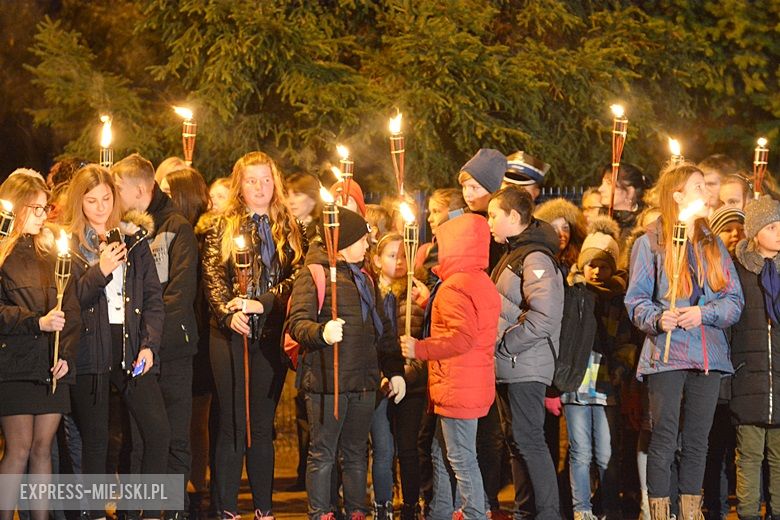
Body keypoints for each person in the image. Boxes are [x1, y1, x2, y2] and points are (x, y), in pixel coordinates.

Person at [625, 163, 744, 520]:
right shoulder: (650, 243)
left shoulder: (713, 244)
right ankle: (661, 512)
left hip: (707, 355)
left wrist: (704, 313)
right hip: (668, 353)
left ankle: (691, 512)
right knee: (663, 438)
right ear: (677, 196)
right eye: (698, 187)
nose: (707, 194)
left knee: (696, 441)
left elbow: (734, 300)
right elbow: (636, 300)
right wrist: (657, 318)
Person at [202, 151, 304, 519]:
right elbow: (212, 276)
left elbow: (297, 275)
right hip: (229, 335)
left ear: (275, 182)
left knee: (261, 425)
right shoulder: (221, 226)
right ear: (239, 185)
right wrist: (228, 312)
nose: (260, 187)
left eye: (265, 180)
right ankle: (227, 509)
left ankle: (264, 509)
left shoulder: (290, 227)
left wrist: (264, 303)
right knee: (233, 423)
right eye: (251, 180)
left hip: (269, 334)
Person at [287, 207, 406, 520]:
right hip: (328, 382)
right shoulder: (313, 274)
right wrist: (322, 332)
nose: (368, 246)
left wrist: (394, 370)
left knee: (356, 454)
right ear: (344, 242)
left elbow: (383, 331)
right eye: (362, 240)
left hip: (363, 383)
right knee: (323, 453)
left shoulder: (364, 279)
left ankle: (356, 511)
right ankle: (321, 512)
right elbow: (297, 323)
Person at [64, 164, 168, 520]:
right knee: (96, 441)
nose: (100, 207)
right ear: (79, 202)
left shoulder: (132, 238)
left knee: (158, 432)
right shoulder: (70, 245)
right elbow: (69, 300)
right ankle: (94, 513)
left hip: (130, 344)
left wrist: (149, 345)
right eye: (91, 200)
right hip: (90, 348)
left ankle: (148, 513)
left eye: (106, 198)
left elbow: (153, 298)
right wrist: (101, 270)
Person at [112, 154, 200, 520]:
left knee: (175, 437)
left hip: (173, 349)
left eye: (118, 189)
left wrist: (151, 336)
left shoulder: (177, 228)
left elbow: (180, 292)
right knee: (140, 437)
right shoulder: (123, 229)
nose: (113, 196)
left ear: (140, 190)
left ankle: (174, 510)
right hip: (138, 351)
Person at [400, 213, 501, 520]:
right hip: (469, 383)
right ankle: (441, 511)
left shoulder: (455, 287)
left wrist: (419, 348)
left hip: (458, 385)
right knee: (440, 451)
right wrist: (427, 302)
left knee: (460, 458)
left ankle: (473, 513)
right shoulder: (478, 281)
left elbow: (462, 338)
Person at [0, 174, 79, 520]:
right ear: (17, 207)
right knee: (18, 448)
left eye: (45, 208)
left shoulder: (51, 251)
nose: (43, 215)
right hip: (14, 364)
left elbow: (70, 307)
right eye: (36, 208)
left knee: (43, 448)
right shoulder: (2, 251)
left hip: (51, 364)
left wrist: (66, 355)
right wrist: (37, 322)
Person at [487, 186, 564, 520]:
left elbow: (545, 315)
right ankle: (525, 511)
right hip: (511, 364)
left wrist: (507, 345)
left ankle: (547, 513)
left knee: (529, 440)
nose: (489, 222)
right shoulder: (513, 253)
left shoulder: (534, 258)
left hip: (525, 363)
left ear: (514, 216)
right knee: (517, 440)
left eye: (493, 215)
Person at [563, 216, 631, 520]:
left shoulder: (618, 301)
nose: (596, 271)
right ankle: (582, 509)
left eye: (603, 265)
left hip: (606, 385)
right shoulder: (573, 294)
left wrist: (621, 367)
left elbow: (626, 341)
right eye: (591, 264)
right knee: (580, 451)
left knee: (606, 452)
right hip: (576, 383)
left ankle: (610, 507)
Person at [370, 232, 427, 520]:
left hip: (412, 382)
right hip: (380, 382)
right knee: (382, 447)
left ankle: (411, 503)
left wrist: (406, 374)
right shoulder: (370, 293)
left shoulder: (417, 293)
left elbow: (424, 339)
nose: (399, 261)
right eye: (392, 256)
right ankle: (382, 502)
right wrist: (384, 375)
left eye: (404, 255)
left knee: (408, 447)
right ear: (377, 260)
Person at [729, 196, 780, 520]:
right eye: (772, 226)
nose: (779, 232)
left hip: (779, 378)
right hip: (748, 378)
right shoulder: (738, 271)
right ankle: (747, 513)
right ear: (755, 231)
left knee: (779, 457)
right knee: (748, 455)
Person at [597, 163, 649, 246]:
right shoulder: (600, 223)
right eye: (602, 183)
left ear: (630, 192)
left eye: (609, 183)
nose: (600, 189)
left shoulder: (644, 226)